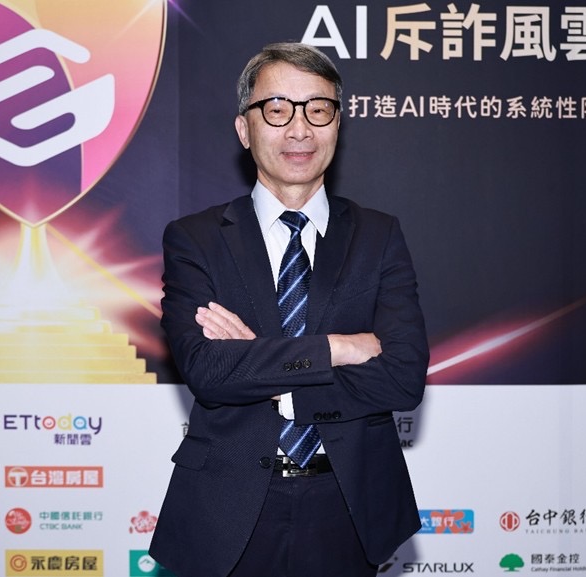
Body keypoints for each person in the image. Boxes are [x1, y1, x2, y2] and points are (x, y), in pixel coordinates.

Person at [149, 42, 429, 577]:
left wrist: (266, 372)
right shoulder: (195, 239)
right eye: (277, 109)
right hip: (227, 508)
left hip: (349, 506)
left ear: (337, 124)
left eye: (318, 109)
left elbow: (402, 377)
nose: (300, 129)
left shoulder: (378, 236)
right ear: (244, 129)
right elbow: (207, 372)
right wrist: (337, 348)